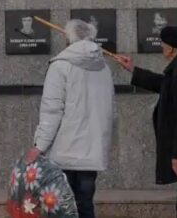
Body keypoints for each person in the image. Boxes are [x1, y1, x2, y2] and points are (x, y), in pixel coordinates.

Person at [115, 27, 177, 218]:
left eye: (163, 43)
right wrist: (133, 69)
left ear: (172, 47)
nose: (161, 46)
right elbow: (166, 85)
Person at [26, 19, 114, 218]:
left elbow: (52, 110)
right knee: (85, 203)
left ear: (68, 38)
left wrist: (39, 146)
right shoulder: (103, 67)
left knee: (63, 206)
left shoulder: (60, 66)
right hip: (92, 149)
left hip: (65, 149)